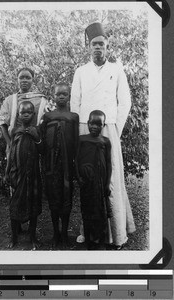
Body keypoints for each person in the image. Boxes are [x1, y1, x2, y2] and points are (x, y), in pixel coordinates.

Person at [71, 22, 135, 249]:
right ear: (88, 47)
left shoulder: (116, 70)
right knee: (89, 180)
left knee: (111, 178)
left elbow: (125, 101)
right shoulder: (81, 71)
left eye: (101, 44)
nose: (97, 48)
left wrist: (116, 127)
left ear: (107, 46)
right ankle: (87, 230)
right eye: (93, 44)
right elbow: (75, 103)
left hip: (109, 128)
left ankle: (117, 234)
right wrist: (79, 131)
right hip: (85, 130)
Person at [41, 83, 79, 248]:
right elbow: (42, 142)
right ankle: (55, 232)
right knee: (53, 199)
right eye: (58, 94)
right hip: (51, 165)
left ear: (69, 96)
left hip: (67, 166)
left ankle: (64, 232)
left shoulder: (74, 117)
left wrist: (75, 164)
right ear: (53, 96)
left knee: (66, 198)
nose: (62, 97)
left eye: (65, 94)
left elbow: (76, 142)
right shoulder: (48, 117)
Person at [5, 101, 42, 249]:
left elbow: (42, 150)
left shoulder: (37, 131)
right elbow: (10, 152)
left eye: (29, 112)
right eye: (22, 112)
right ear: (19, 115)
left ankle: (33, 237)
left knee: (33, 205)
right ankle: (14, 237)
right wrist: (7, 171)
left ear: (33, 114)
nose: (25, 114)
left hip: (32, 176)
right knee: (15, 205)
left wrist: (37, 138)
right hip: (17, 174)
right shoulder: (15, 131)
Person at [76, 110, 112, 250]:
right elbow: (77, 160)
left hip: (99, 183)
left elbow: (108, 164)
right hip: (86, 183)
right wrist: (79, 178)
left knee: (100, 211)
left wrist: (107, 184)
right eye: (92, 123)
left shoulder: (105, 142)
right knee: (86, 210)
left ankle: (100, 240)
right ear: (88, 123)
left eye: (99, 124)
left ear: (103, 125)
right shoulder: (81, 139)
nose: (94, 127)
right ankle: (89, 240)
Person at [0, 67, 47, 158]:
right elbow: (2, 124)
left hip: (35, 144)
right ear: (17, 79)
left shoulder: (41, 100)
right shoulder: (10, 100)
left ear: (33, 80)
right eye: (21, 77)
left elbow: (45, 124)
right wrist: (10, 144)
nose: (24, 80)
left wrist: (38, 140)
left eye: (28, 78)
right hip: (15, 143)